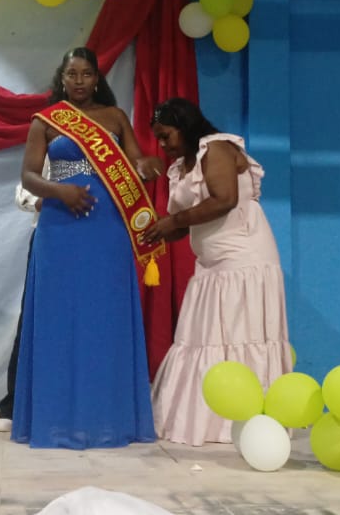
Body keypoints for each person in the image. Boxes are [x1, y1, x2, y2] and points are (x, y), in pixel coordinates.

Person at [10, 47, 165, 449]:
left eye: (86, 74)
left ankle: (106, 417)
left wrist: (147, 165)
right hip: (60, 228)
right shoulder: (45, 121)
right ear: (62, 79)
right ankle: (54, 417)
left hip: (108, 228)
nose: (79, 81)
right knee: (59, 319)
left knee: (104, 317)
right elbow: (28, 176)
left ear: (97, 78)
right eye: (72, 74)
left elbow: (136, 162)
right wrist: (59, 191)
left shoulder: (116, 117)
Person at [141, 97, 291, 446]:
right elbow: (182, 224)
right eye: (158, 138)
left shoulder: (217, 148)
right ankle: (209, 423)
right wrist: (155, 229)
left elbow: (224, 199)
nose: (162, 145)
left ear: (186, 127)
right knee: (203, 340)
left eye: (166, 135)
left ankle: (243, 422)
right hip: (210, 265)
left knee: (240, 335)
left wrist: (173, 221)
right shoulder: (182, 166)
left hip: (243, 262)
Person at [0, 178, 41, 433]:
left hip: (93, 236)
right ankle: (12, 405)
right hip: (49, 232)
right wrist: (41, 201)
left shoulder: (108, 152)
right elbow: (25, 190)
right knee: (32, 318)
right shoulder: (50, 148)